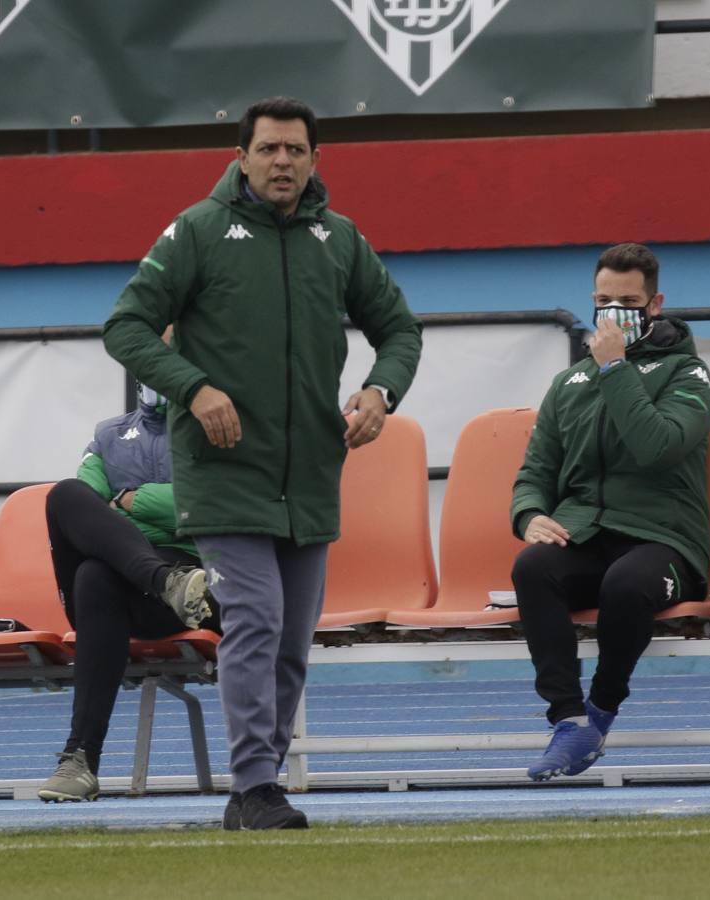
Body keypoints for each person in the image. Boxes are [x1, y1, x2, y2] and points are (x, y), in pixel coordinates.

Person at [102, 97, 422, 830]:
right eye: (270, 149)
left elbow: (400, 328)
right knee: (256, 620)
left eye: (297, 150)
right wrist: (195, 386)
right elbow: (125, 325)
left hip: (310, 473)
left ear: (315, 160)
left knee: (289, 641)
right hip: (222, 470)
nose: (283, 162)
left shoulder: (339, 240)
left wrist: (381, 389)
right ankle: (254, 783)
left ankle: (257, 790)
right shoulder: (198, 230)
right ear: (242, 155)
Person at [510, 242, 710, 781]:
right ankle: (568, 720)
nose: (612, 313)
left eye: (627, 301)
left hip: (664, 542)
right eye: (603, 301)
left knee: (625, 585)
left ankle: (600, 713)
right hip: (588, 534)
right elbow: (535, 472)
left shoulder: (688, 373)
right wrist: (529, 514)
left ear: (654, 304)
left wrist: (616, 369)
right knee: (533, 568)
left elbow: (656, 446)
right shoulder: (567, 384)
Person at [37, 376, 218, 803]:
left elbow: (212, 505)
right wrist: (161, 507)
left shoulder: (218, 427)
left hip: (201, 589)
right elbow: (87, 509)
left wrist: (133, 501)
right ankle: (162, 580)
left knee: (96, 575)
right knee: (65, 498)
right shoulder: (109, 436)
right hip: (135, 591)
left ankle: (81, 756)